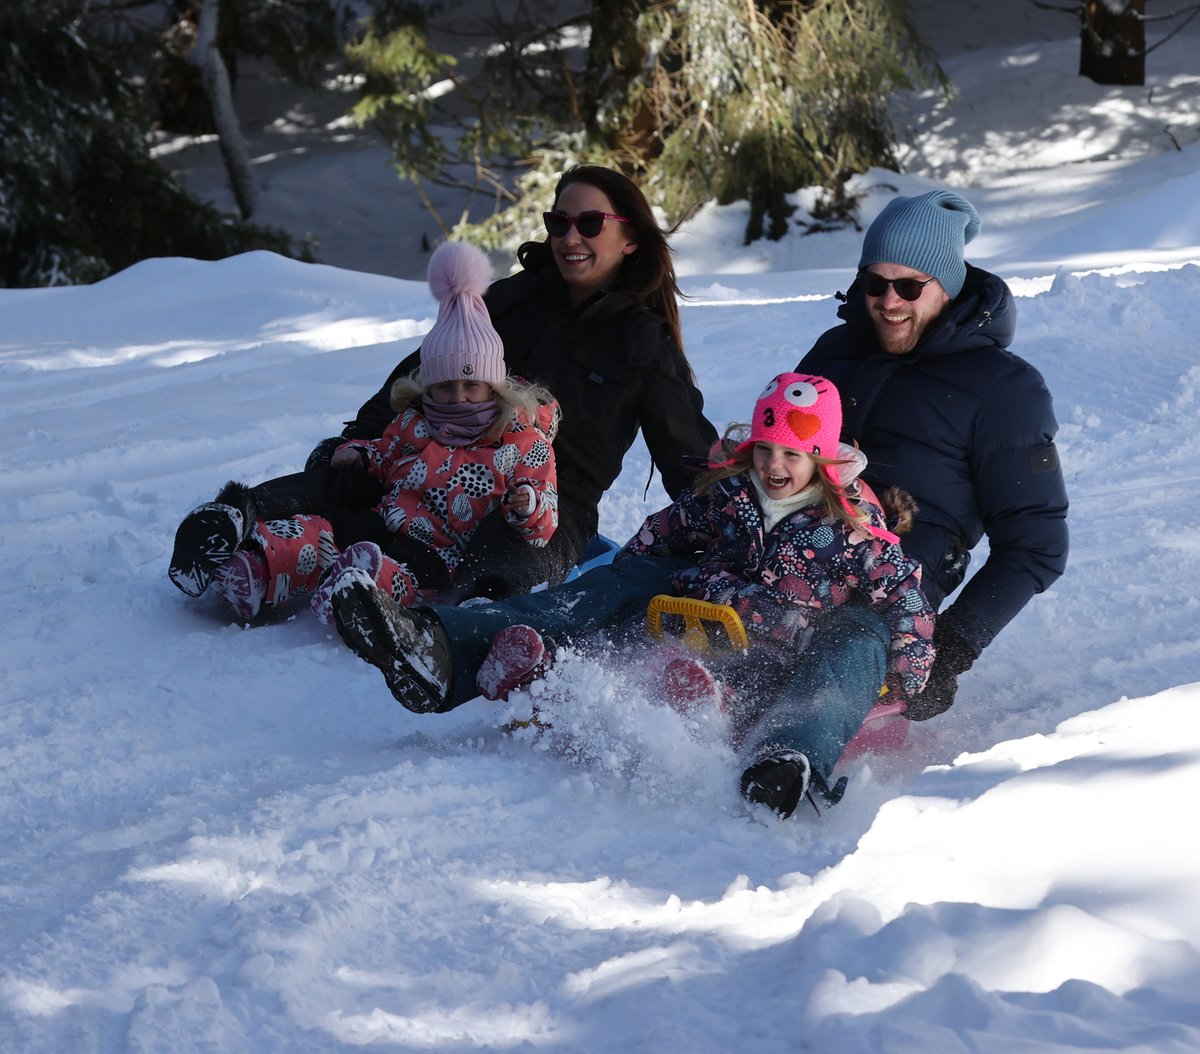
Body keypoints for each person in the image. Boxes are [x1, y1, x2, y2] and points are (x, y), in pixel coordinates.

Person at [328, 373, 937, 819]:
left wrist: (907, 674)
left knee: (858, 639)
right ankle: (450, 648)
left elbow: (904, 594)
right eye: (766, 450)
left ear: (823, 458)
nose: (775, 466)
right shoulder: (731, 494)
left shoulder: (854, 529)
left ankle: (784, 760)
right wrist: (625, 581)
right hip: (699, 622)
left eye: (793, 455)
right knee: (634, 577)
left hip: (787, 658)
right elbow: (667, 530)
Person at [168, 164, 717, 604]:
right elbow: (422, 372)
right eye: (558, 222)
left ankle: (447, 627)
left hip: (543, 501)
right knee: (350, 473)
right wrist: (359, 440)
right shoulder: (513, 299)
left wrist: (733, 525)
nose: (570, 237)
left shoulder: (644, 347)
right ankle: (234, 523)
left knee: (507, 555)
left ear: (630, 239)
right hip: (437, 463)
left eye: (590, 224)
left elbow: (690, 459)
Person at [796, 189, 1069, 720]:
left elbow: (1037, 543)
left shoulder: (1005, 389)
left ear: (947, 285)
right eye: (875, 283)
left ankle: (792, 735)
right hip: (791, 540)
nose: (889, 301)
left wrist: (951, 647)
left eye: (909, 285)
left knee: (840, 635)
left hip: (890, 578)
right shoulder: (835, 350)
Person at [204, 241, 561, 623]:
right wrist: (360, 453)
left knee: (396, 573)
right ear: (428, 386)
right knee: (325, 531)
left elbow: (545, 520)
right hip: (385, 521)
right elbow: (386, 455)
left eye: (471, 386)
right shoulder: (415, 422)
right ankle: (259, 566)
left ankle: (359, 595)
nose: (458, 398)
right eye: (445, 386)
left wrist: (527, 504)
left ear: (494, 387)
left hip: (441, 554)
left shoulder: (521, 439)